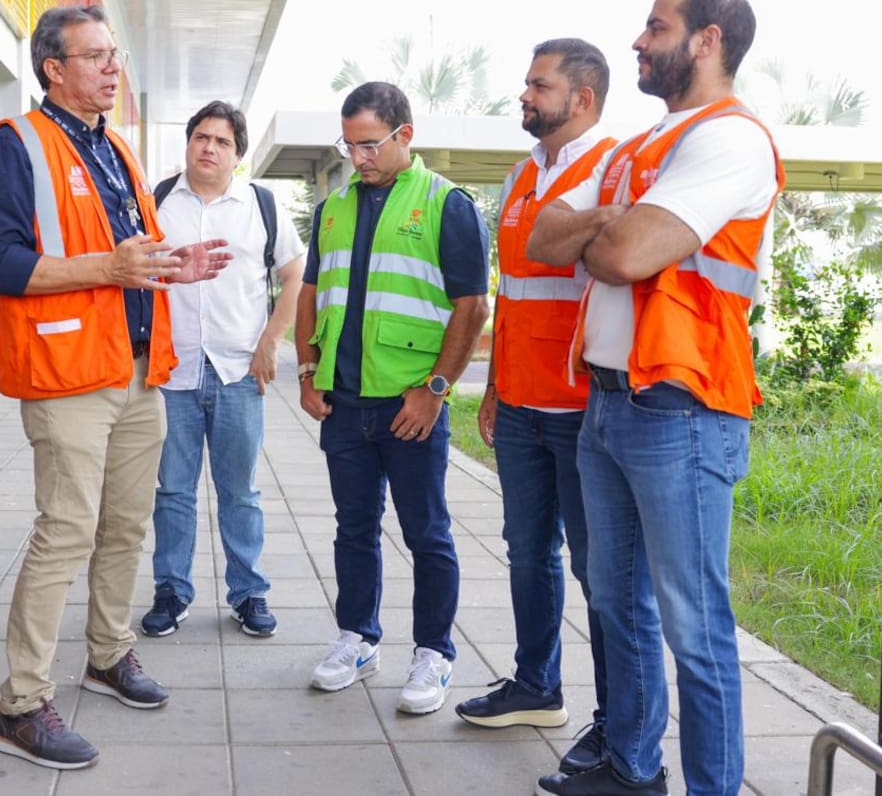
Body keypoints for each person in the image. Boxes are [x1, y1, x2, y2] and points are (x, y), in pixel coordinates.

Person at [527, 0, 785, 796]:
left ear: (707, 40)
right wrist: (617, 220)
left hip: (683, 406)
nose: (638, 42)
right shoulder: (643, 147)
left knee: (693, 625)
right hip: (609, 400)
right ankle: (633, 768)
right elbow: (541, 235)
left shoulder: (731, 139)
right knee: (615, 601)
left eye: (655, 26)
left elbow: (622, 258)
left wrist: (608, 226)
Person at [0, 4, 231, 770]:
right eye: (96, 57)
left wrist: (169, 266)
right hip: (66, 377)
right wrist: (109, 269)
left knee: (125, 527)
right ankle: (20, 705)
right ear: (54, 67)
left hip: (136, 370)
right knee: (67, 532)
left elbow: (128, 255)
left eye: (115, 55)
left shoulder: (114, 146)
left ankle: (109, 654)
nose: (113, 68)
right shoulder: (14, 144)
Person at [296, 82, 489, 715]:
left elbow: (471, 306)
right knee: (353, 529)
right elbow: (309, 291)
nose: (358, 158)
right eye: (348, 145)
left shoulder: (446, 204)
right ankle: (357, 638)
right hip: (344, 404)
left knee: (426, 533)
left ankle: (435, 654)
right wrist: (307, 369)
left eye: (370, 144)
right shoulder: (333, 208)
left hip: (410, 406)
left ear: (405, 135)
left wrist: (435, 391)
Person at [453, 39, 615, 765]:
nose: (524, 95)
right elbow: (511, 293)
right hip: (520, 404)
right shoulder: (521, 174)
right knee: (528, 554)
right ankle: (536, 686)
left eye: (537, 85)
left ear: (580, 98)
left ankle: (619, 721)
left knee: (599, 568)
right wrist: (492, 388)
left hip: (586, 407)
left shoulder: (614, 167)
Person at [141, 100, 304, 639]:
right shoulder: (156, 201)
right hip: (172, 372)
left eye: (222, 142)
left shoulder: (260, 205)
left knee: (241, 491)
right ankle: (172, 591)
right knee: (173, 490)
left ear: (238, 153)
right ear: (188, 143)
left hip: (239, 371)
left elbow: (295, 275)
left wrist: (271, 342)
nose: (209, 148)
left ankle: (249, 593)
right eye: (201, 138)